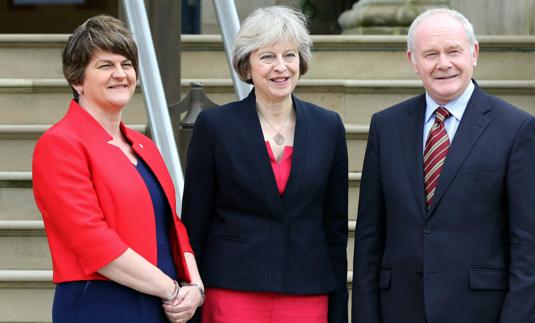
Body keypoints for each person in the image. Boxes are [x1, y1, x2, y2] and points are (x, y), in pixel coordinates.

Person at [352, 8, 535, 323]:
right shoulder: (386, 127)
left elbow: (530, 248)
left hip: (480, 312)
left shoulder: (516, 129)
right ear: (412, 61)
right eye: (430, 54)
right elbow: (369, 239)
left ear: (474, 53)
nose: (443, 64)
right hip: (399, 310)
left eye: (453, 51)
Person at [181, 6, 348, 323]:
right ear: (246, 67)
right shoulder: (215, 126)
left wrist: (340, 306)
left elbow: (335, 229)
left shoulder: (329, 126)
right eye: (267, 56)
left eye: (290, 55)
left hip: (307, 291)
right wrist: (192, 292)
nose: (281, 67)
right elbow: (194, 222)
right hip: (233, 292)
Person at [32, 15, 204, 323]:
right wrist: (171, 290)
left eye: (126, 64)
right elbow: (91, 240)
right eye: (105, 65)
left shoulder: (144, 145)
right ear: (76, 79)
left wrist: (195, 288)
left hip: (163, 304)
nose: (120, 74)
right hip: (101, 303)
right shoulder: (60, 144)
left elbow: (173, 226)